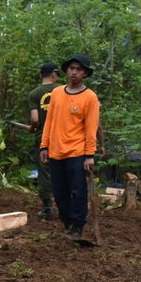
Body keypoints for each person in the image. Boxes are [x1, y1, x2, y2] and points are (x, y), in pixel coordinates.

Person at [39, 54, 100, 242]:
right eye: (71, 68)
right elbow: (49, 121)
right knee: (59, 191)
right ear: (66, 71)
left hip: (77, 152)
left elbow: (91, 128)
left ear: (85, 73)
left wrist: (89, 154)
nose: (74, 72)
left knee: (78, 191)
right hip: (56, 151)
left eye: (79, 69)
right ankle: (67, 222)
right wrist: (44, 146)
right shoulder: (57, 93)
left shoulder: (90, 98)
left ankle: (78, 225)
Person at [26, 63, 61, 219]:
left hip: (43, 138)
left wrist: (32, 127)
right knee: (63, 170)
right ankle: (65, 204)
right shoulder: (63, 90)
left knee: (45, 172)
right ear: (53, 74)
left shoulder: (34, 94)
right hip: (64, 137)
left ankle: (48, 208)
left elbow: (35, 119)